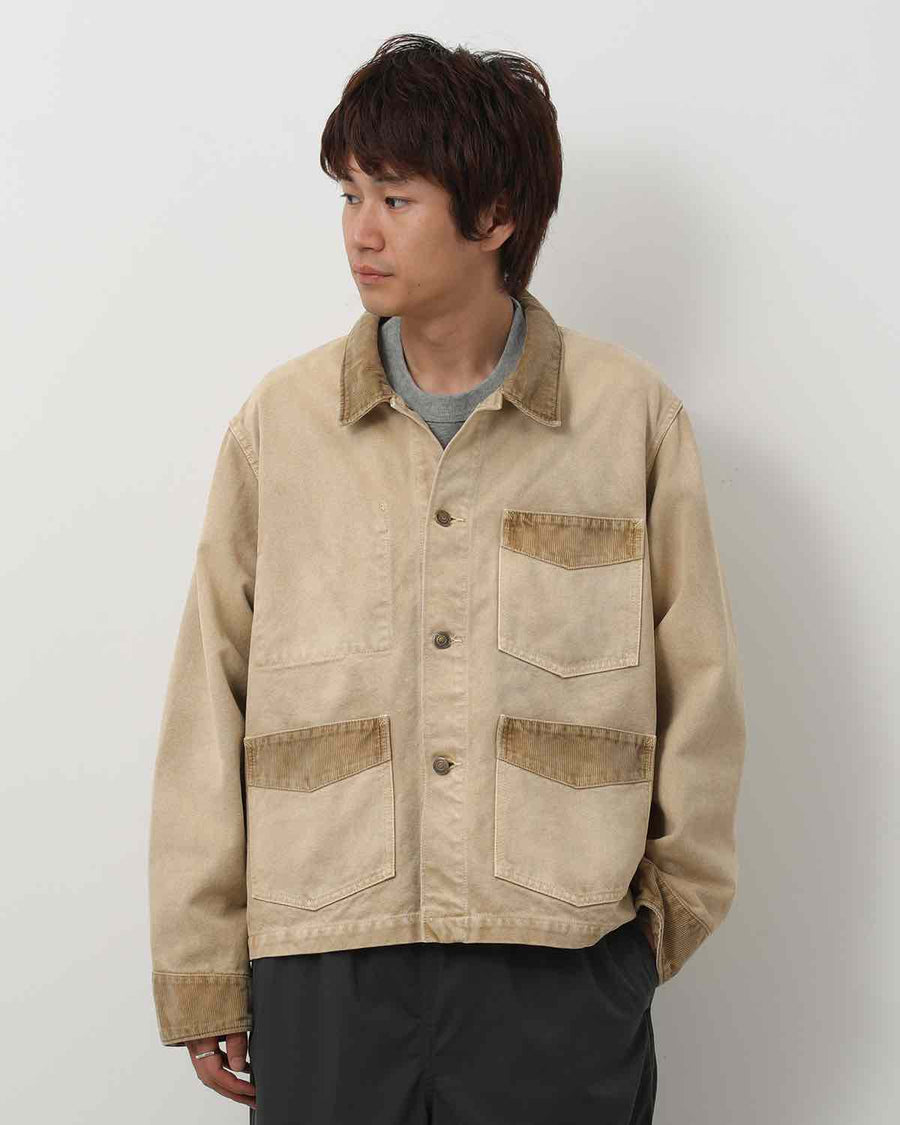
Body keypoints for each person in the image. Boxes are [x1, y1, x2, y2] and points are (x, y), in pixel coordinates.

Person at [147, 32, 746, 1124]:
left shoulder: (628, 422)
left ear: (496, 215)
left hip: (559, 966)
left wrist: (659, 924)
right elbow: (207, 696)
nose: (360, 231)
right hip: (327, 963)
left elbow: (700, 690)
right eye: (349, 195)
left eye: (396, 198)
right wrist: (202, 960)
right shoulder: (283, 428)